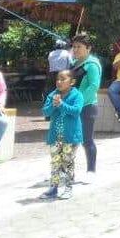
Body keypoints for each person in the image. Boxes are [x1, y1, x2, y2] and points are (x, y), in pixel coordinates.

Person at [40, 69, 84, 200]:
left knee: (67, 162)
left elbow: (76, 111)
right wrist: (54, 104)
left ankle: (68, 188)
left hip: (70, 137)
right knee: (55, 162)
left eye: (63, 79)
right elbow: (45, 112)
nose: (59, 82)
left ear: (72, 82)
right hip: (56, 136)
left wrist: (62, 104)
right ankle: (53, 188)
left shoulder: (77, 95)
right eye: (57, 79)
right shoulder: (52, 95)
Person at [70, 34, 101, 180]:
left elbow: (93, 86)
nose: (75, 49)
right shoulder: (74, 63)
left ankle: (91, 171)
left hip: (87, 107)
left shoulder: (92, 64)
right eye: (74, 46)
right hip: (72, 107)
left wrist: (79, 102)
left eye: (79, 47)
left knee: (86, 140)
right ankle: (66, 170)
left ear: (88, 48)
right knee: (70, 139)